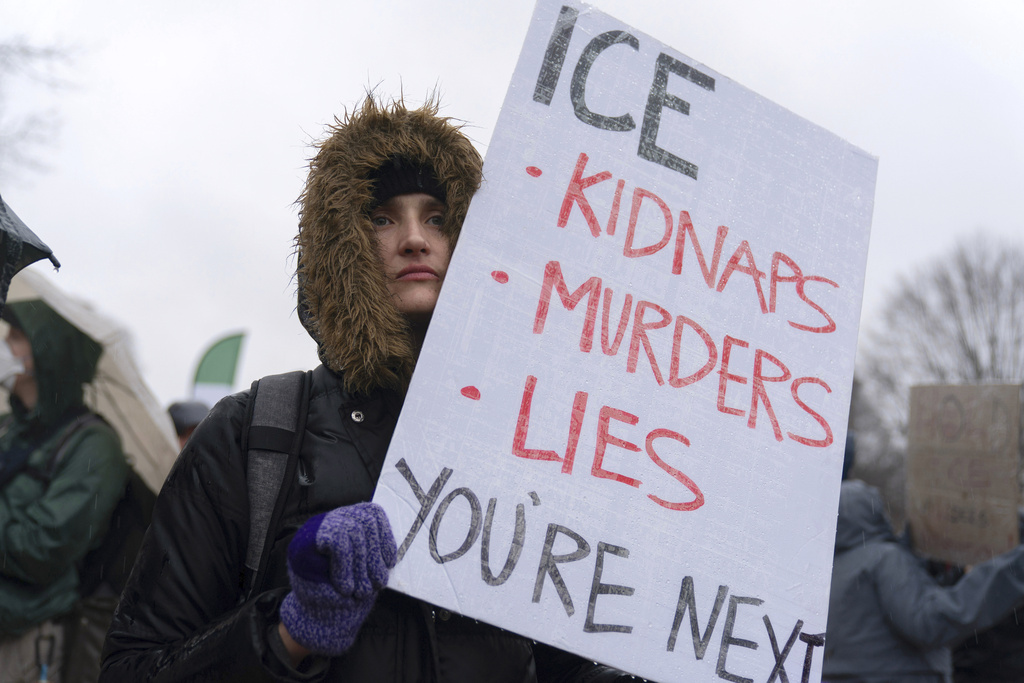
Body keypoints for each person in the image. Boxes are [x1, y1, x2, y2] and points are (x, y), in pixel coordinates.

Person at [101, 95, 643, 681]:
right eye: (383, 218)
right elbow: (133, 668)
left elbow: (565, 663)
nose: (415, 239)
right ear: (338, 249)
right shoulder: (252, 433)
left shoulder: (528, 438)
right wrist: (287, 632)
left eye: (437, 217)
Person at [0, 298, 128, 683]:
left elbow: (45, 548)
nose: (5, 343)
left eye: (17, 336)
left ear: (46, 349)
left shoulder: (95, 445)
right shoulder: (9, 428)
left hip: (27, 636)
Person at [822, 478, 1024, 683]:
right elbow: (928, 623)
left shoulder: (829, 571)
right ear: (872, 513)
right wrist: (1013, 568)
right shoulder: (884, 559)